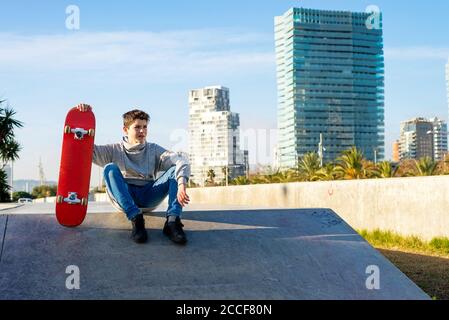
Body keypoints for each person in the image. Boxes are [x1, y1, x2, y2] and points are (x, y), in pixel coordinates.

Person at [76, 103, 191, 245]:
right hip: (126, 197)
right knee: (110, 168)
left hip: (148, 196)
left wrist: (181, 184)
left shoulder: (154, 149)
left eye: (145, 127)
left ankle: (172, 222)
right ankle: (136, 220)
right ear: (125, 129)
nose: (142, 131)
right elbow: (85, 149)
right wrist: (82, 118)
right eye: (137, 127)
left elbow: (180, 160)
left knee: (175, 168)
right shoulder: (113, 150)